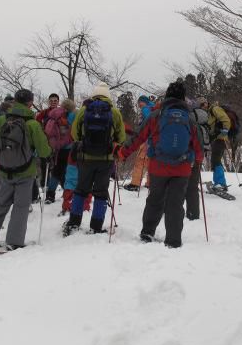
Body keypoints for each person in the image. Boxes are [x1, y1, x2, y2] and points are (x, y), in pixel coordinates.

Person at [118, 82, 204, 248]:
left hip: (158, 166)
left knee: (155, 200)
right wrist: (197, 159)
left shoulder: (156, 115)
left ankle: (147, 233)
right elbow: (198, 146)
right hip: (182, 169)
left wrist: (123, 153)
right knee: (175, 203)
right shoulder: (190, 118)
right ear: (182, 97)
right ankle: (173, 240)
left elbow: (138, 137)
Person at [0, 89, 51, 250]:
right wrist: (48, 155)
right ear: (30, 103)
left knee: (0, 204)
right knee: (21, 207)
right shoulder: (32, 124)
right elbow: (44, 150)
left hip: (4, 169)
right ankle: (15, 241)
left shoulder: (2, 120)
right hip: (25, 171)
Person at [62, 83, 126, 236]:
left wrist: (84, 143)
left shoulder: (84, 110)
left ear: (94, 94)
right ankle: (96, 226)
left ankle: (74, 223)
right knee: (101, 192)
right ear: (108, 96)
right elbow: (121, 137)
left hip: (85, 158)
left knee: (81, 190)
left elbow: (74, 133)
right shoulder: (115, 112)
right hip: (106, 159)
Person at [197, 98, 231, 193]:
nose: (201, 108)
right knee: (215, 160)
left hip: (220, 139)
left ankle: (220, 183)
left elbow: (226, 120)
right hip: (216, 139)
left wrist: (224, 132)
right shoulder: (208, 113)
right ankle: (219, 182)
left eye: (201, 105)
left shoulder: (214, 109)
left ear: (205, 104)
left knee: (216, 160)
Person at [185, 101, 211, 220]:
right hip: (198, 154)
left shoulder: (187, 118)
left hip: (184, 155)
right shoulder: (204, 117)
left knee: (177, 185)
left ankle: (173, 211)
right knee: (193, 185)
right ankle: (193, 214)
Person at [123, 95, 155, 192]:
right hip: (153, 139)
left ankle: (135, 183)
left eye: (139, 102)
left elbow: (147, 123)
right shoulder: (153, 109)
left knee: (140, 161)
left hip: (146, 139)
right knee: (150, 161)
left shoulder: (145, 109)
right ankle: (150, 183)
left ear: (144, 102)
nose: (138, 105)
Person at [36, 93, 61, 203]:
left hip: (59, 144)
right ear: (48, 101)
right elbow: (36, 122)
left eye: (55, 100)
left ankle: (54, 192)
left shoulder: (62, 112)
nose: (53, 102)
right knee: (44, 165)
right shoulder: (44, 113)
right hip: (45, 142)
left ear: (58, 102)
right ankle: (45, 187)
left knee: (57, 167)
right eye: (51, 100)